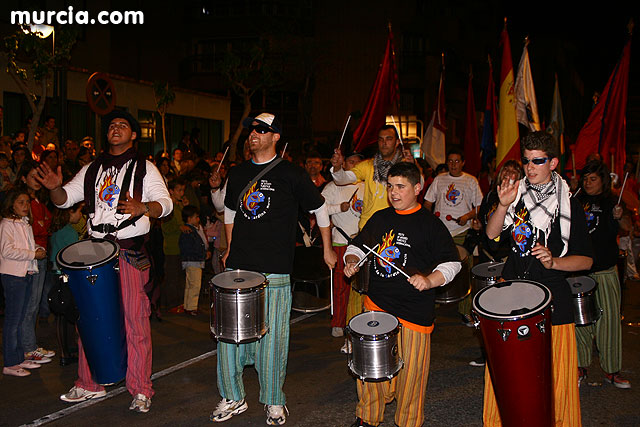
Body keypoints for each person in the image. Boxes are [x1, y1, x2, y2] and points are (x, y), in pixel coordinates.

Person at [35, 109, 173, 413]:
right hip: (95, 252)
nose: (116, 128)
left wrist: (143, 207)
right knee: (90, 319)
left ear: (134, 135)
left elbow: (166, 204)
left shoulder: (145, 168)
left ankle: (140, 388)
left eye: (123, 125)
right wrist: (54, 187)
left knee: (135, 322)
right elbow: (63, 199)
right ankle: (89, 382)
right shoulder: (92, 169)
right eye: (112, 125)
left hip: (129, 252)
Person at [210, 112, 336, 425]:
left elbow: (320, 208)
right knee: (230, 336)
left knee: (274, 338)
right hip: (239, 266)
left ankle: (274, 401)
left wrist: (328, 249)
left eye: (262, 130)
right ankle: (232, 396)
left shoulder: (291, 173)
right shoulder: (238, 173)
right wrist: (228, 248)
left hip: (276, 269)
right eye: (252, 129)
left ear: (275, 136)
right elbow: (228, 212)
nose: (254, 134)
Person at [484, 131, 593, 426]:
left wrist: (555, 261)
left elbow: (586, 260)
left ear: (553, 163)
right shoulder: (516, 196)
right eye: (527, 161)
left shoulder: (569, 206)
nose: (530, 168)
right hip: (511, 296)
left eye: (538, 161)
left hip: (552, 300)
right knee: (507, 373)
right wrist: (504, 204)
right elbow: (492, 236)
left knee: (554, 378)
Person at [343, 162, 461, 427]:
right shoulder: (381, 218)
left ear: (417, 188)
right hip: (378, 305)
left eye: (400, 187)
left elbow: (452, 263)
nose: (393, 193)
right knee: (370, 370)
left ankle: (408, 422)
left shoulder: (430, 225)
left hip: (414, 311)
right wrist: (352, 260)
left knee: (412, 374)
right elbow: (358, 247)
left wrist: (430, 280)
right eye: (390, 186)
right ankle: (368, 417)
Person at [330, 125, 414, 349]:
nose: (384, 142)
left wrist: (412, 166)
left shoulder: (405, 167)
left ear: (397, 142)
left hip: (397, 234)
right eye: (381, 139)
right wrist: (337, 167)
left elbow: (419, 185)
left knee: (392, 285)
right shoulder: (367, 166)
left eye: (389, 139)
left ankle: (392, 337)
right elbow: (342, 178)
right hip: (369, 232)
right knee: (359, 287)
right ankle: (353, 338)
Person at [575, 160, 631, 388]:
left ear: (603, 181)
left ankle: (611, 371)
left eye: (593, 179)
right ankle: (580, 367)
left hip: (605, 271)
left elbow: (628, 227)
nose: (588, 183)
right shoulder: (575, 201)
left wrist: (619, 215)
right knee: (580, 324)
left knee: (608, 322)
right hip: (579, 272)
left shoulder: (612, 202)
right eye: (585, 178)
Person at [424, 147, 483, 324]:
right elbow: (427, 203)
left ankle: (465, 311)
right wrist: (429, 221)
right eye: (450, 161)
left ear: (463, 162)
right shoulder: (439, 180)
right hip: (440, 233)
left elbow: (480, 206)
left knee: (464, 272)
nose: (453, 164)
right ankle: (429, 309)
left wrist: (467, 216)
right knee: (432, 268)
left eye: (457, 161)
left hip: (461, 232)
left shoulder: (471, 181)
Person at [1, 189, 47, 377]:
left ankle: (20, 357)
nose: (25, 206)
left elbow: (25, 246)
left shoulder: (24, 224)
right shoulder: (7, 224)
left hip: (25, 273)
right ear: (11, 204)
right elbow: (7, 251)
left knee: (20, 319)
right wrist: (32, 254)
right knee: (13, 320)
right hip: (13, 276)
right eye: (21, 202)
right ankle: (10, 362)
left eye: (27, 202)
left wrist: (37, 249)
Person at [16, 161, 55, 364]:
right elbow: (33, 228)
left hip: (41, 254)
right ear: (24, 178)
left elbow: (45, 225)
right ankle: (28, 347)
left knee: (35, 302)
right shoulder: (23, 202)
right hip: (32, 256)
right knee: (30, 304)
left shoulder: (39, 201)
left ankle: (30, 344)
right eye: (34, 177)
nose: (38, 181)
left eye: (40, 176)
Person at [321, 152, 364, 338]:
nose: (354, 166)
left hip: (363, 244)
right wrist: (339, 208)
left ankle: (360, 323)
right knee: (340, 286)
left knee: (362, 287)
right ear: (344, 164)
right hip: (340, 240)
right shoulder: (333, 186)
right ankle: (338, 322)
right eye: (351, 162)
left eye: (358, 164)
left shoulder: (366, 186)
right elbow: (319, 208)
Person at [179, 204, 209, 316]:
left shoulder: (193, 230)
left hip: (192, 260)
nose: (198, 219)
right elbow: (190, 247)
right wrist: (201, 254)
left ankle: (188, 305)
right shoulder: (188, 231)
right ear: (189, 218)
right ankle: (191, 307)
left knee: (190, 284)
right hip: (193, 260)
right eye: (196, 217)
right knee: (195, 284)